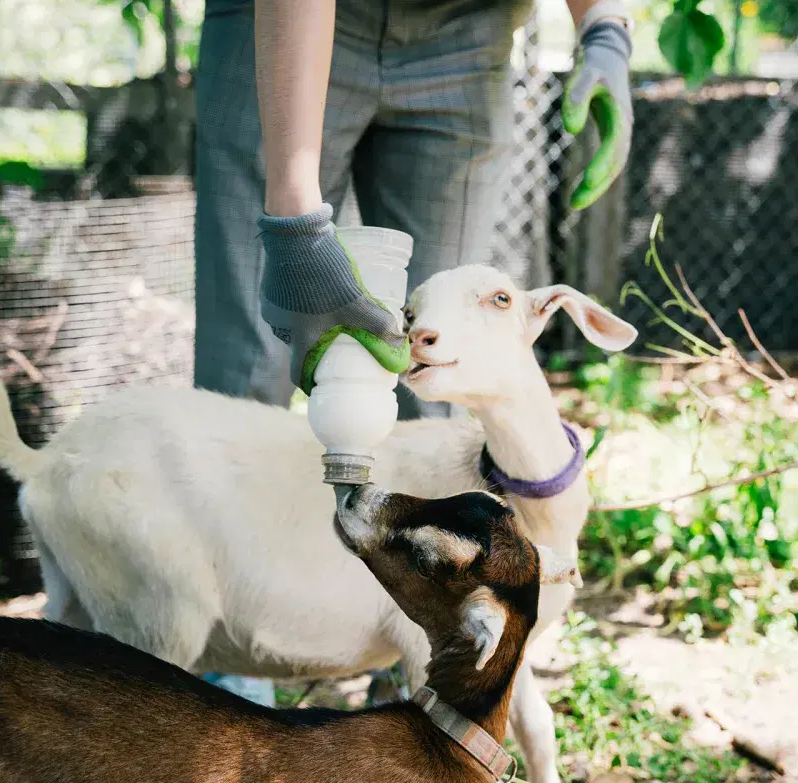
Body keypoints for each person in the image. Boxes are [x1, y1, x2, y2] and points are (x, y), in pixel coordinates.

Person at [192, 0, 635, 706]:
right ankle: (234, 655)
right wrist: (295, 219)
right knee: (251, 352)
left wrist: (606, 28)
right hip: (279, 29)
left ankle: (412, 666)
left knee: (442, 368)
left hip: (468, 34)